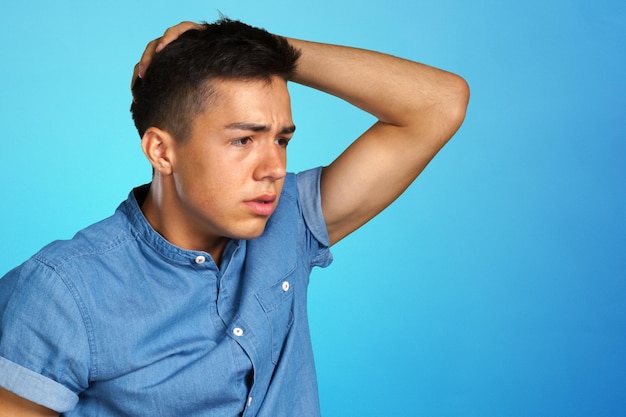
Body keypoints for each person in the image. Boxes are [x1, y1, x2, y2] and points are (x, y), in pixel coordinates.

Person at [0, 18, 469, 417]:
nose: (274, 168)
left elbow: (439, 103)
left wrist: (268, 52)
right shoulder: (61, 292)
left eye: (281, 140)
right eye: (243, 140)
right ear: (161, 150)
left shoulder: (291, 221)